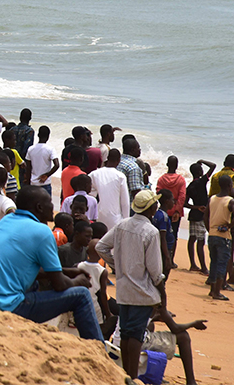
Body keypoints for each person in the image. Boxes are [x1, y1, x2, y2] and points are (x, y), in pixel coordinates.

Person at [0, 186, 102, 341]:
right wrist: (78, 281)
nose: (52, 206)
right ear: (39, 207)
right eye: (49, 202)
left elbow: (23, 270)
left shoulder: (6, 221)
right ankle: (98, 348)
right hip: (6, 307)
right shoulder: (42, 232)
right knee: (82, 295)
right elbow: (60, 285)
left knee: (34, 284)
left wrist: (67, 271)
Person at [96, 190, 168, 379]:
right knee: (136, 334)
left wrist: (118, 265)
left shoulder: (122, 225)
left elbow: (100, 247)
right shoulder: (150, 231)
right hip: (143, 292)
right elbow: (155, 270)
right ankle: (132, 377)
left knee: (126, 332)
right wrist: (162, 292)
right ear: (151, 208)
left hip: (124, 289)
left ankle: (125, 375)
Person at [206, 175, 234, 301]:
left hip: (212, 235)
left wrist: (210, 229)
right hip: (223, 236)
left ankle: (212, 289)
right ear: (229, 186)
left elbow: (205, 216)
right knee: (222, 263)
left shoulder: (212, 199)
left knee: (214, 262)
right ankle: (217, 291)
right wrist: (230, 225)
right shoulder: (230, 200)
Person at [185, 159, 215, 274]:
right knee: (201, 241)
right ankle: (203, 267)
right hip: (201, 216)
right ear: (199, 172)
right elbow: (213, 165)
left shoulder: (190, 186)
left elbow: (185, 203)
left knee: (192, 239)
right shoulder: (202, 181)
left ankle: (193, 264)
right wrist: (201, 160)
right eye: (201, 169)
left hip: (194, 214)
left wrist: (196, 207)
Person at [90, 148, 130, 230]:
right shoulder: (120, 176)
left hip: (98, 217)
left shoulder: (94, 174)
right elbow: (125, 202)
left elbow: (90, 196)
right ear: (119, 160)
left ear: (107, 158)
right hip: (115, 219)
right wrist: (126, 221)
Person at [25, 126, 57, 194]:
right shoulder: (50, 149)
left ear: (38, 135)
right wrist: (47, 175)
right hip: (45, 183)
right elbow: (57, 165)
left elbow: (28, 168)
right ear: (48, 136)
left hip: (33, 183)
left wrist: (27, 182)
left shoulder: (31, 149)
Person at [117, 135, 145, 202]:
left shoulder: (118, 161)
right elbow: (136, 192)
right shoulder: (133, 167)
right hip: (129, 203)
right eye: (138, 148)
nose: (140, 150)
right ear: (132, 150)